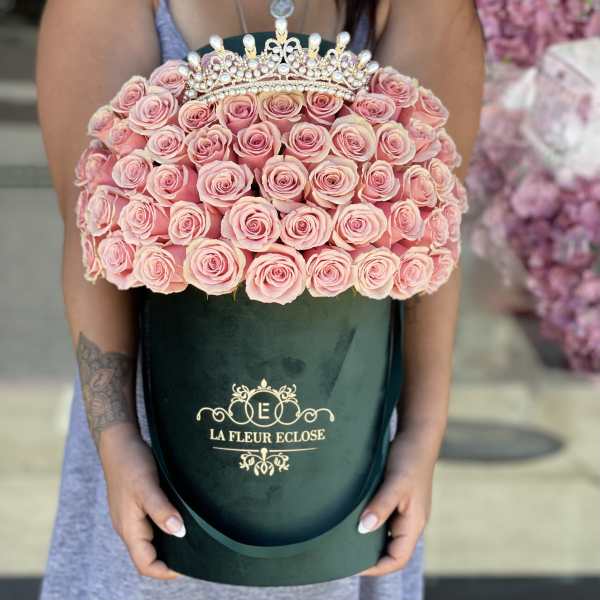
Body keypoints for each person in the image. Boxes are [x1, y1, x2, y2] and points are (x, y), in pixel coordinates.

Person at [36, 1, 484, 598]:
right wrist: (117, 438)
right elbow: (88, 233)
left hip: (347, 443)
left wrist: (422, 436)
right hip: (152, 440)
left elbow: (431, 233)